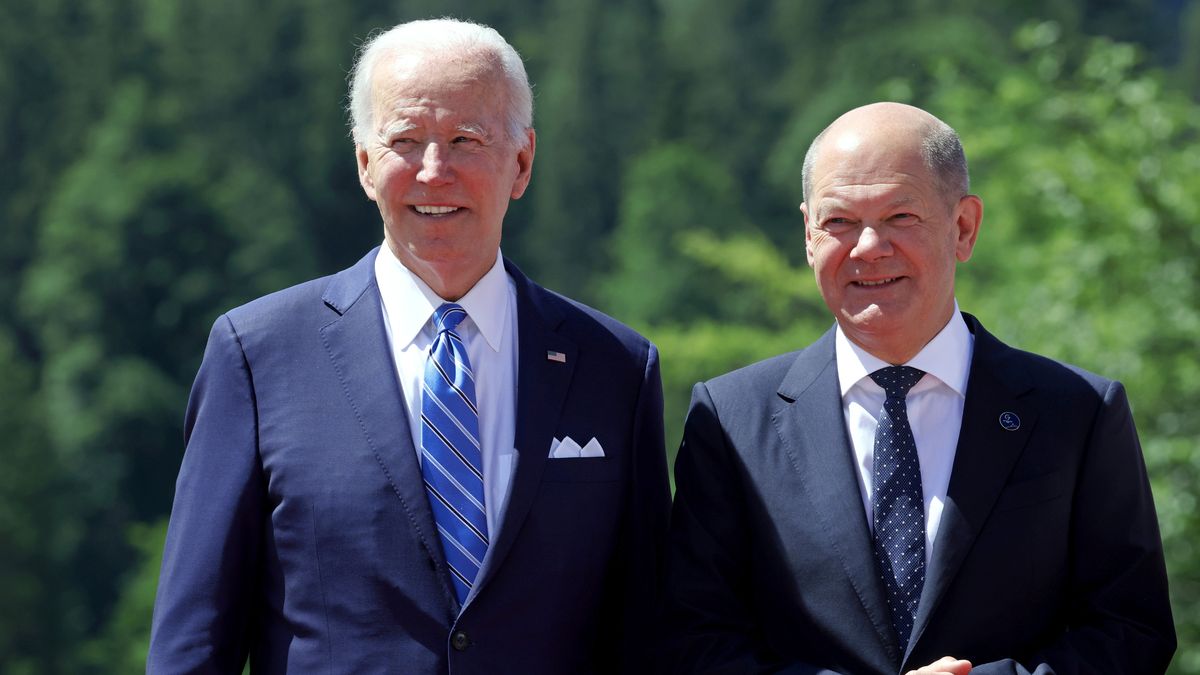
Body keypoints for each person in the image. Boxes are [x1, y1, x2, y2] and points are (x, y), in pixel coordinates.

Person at [147, 18, 670, 674]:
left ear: (523, 162)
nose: (433, 171)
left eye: (464, 140)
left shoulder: (614, 368)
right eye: (405, 141)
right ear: (366, 165)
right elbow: (193, 644)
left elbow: (648, 638)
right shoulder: (256, 356)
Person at [661, 102, 1175, 674]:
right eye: (838, 222)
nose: (867, 247)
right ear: (808, 235)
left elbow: (1132, 629)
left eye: (900, 217)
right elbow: (696, 641)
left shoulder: (1077, 412)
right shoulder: (730, 420)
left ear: (963, 227)